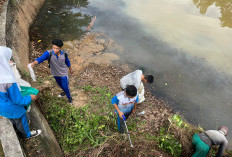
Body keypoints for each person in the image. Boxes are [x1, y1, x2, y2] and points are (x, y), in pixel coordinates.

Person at [0, 46, 41, 139]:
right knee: (21, 119)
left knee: (13, 119)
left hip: (1, 108)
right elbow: (18, 100)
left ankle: (16, 126)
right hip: (11, 108)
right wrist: (30, 97)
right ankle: (27, 135)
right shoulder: (8, 80)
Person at [29, 39, 73, 104]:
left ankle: (69, 98)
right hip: (55, 73)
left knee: (66, 86)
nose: (54, 50)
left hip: (63, 73)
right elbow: (41, 58)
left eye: (57, 48)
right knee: (60, 84)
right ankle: (64, 92)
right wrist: (34, 63)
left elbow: (67, 62)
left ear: (60, 48)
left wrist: (70, 69)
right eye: (53, 48)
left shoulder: (64, 54)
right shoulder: (49, 53)